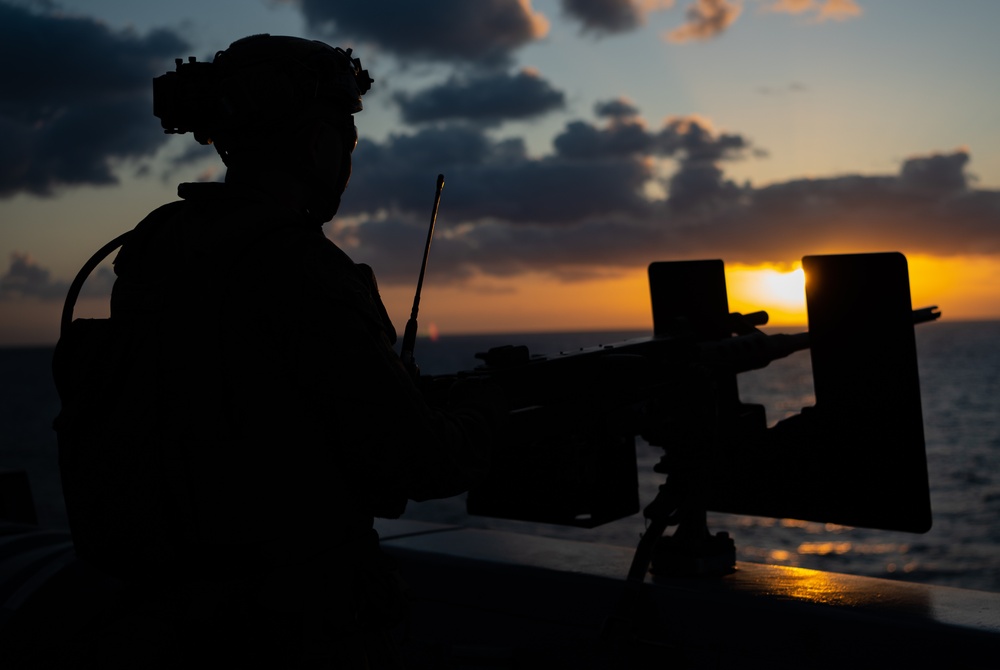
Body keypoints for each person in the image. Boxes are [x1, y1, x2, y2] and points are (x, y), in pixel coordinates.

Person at [60, 34, 502, 668]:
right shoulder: (299, 269)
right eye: (345, 138)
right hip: (295, 626)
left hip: (174, 619)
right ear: (318, 144)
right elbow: (418, 465)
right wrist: (485, 408)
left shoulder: (159, 248)